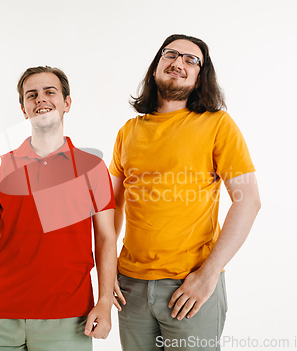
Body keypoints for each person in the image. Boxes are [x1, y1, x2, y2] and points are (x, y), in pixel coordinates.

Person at [110, 34, 261, 350]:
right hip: (130, 288)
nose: (178, 62)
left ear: (200, 77)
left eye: (191, 59)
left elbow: (248, 203)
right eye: (170, 54)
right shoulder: (128, 131)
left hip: (189, 287)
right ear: (156, 67)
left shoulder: (218, 124)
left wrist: (207, 277)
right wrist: (108, 266)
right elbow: (111, 205)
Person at [0, 66, 117, 351]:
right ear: (23, 108)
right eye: (31, 95)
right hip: (0, 313)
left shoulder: (92, 168)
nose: (41, 100)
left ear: (66, 103)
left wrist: (105, 301)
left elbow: (106, 237)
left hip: (69, 316)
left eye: (50, 92)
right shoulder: (1, 166)